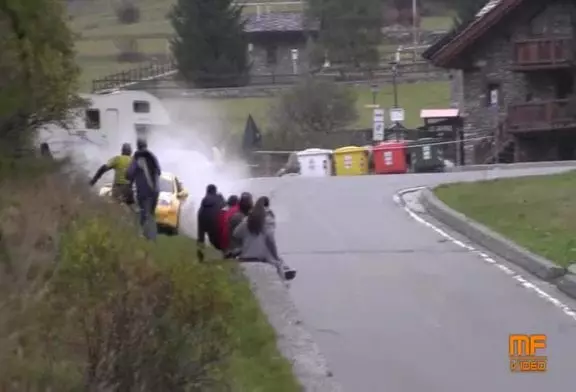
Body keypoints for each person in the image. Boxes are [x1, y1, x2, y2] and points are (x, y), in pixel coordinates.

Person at [232, 201, 296, 281]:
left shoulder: (247, 221)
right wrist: (276, 256)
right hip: (260, 256)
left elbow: (236, 234)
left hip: (245, 256)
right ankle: (283, 271)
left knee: (270, 252)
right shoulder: (267, 221)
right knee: (274, 257)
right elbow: (271, 240)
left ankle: (284, 267)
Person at [126, 139, 161, 240]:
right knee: (151, 213)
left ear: (137, 146)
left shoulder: (137, 158)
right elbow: (158, 171)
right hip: (155, 191)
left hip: (144, 191)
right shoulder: (152, 156)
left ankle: (145, 236)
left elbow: (129, 174)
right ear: (146, 145)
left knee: (144, 212)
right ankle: (152, 237)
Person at [197, 184, 225, 253]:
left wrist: (201, 239)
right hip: (219, 227)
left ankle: (200, 249)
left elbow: (200, 216)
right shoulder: (219, 199)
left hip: (208, 228)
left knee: (214, 242)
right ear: (215, 191)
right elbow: (227, 209)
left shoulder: (204, 201)